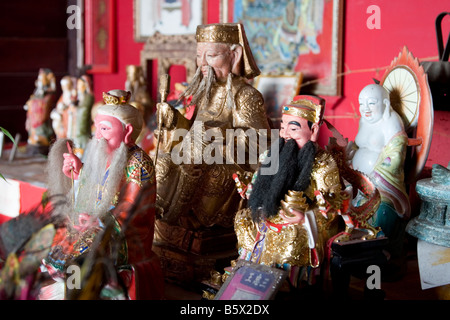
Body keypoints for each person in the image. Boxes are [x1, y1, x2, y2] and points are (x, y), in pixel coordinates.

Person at [42, 89, 164, 300]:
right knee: (62, 232)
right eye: (96, 128)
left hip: (126, 232)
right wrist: (80, 172)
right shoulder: (104, 152)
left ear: (127, 132)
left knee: (86, 249)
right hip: (97, 221)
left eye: (105, 129)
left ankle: (84, 291)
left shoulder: (138, 164)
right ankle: (69, 288)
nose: (97, 136)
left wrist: (99, 220)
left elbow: (131, 207)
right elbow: (96, 186)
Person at [155, 23, 271, 231]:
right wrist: (173, 119)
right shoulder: (206, 92)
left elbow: (260, 145)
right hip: (194, 155)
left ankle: (180, 223)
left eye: (212, 55)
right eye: (199, 56)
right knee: (162, 164)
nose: (203, 63)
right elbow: (190, 131)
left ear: (234, 55)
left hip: (225, 165)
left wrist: (218, 135)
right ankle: (162, 221)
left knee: (206, 172)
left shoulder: (245, 96)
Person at [234, 95, 344, 288]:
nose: (285, 134)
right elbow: (260, 184)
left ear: (313, 130)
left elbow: (333, 207)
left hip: (302, 223)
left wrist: (305, 217)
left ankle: (284, 284)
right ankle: (244, 274)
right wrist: (250, 190)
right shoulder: (272, 154)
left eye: (293, 129)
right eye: (283, 127)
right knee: (243, 219)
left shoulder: (323, 164)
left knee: (289, 235)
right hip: (271, 214)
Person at [351, 83, 410, 260]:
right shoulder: (364, 120)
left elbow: (396, 155)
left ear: (385, 102)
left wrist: (374, 179)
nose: (365, 109)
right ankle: (355, 252)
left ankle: (379, 256)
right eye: (362, 103)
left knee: (380, 211)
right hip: (358, 181)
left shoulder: (391, 121)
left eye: (371, 103)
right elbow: (360, 145)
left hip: (382, 184)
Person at [24, 68, 57, 154]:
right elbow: (32, 100)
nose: (39, 81)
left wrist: (35, 104)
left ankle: (42, 141)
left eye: (41, 78)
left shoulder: (48, 93)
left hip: (41, 118)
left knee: (41, 131)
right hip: (33, 116)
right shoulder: (37, 92)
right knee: (33, 133)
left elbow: (46, 104)